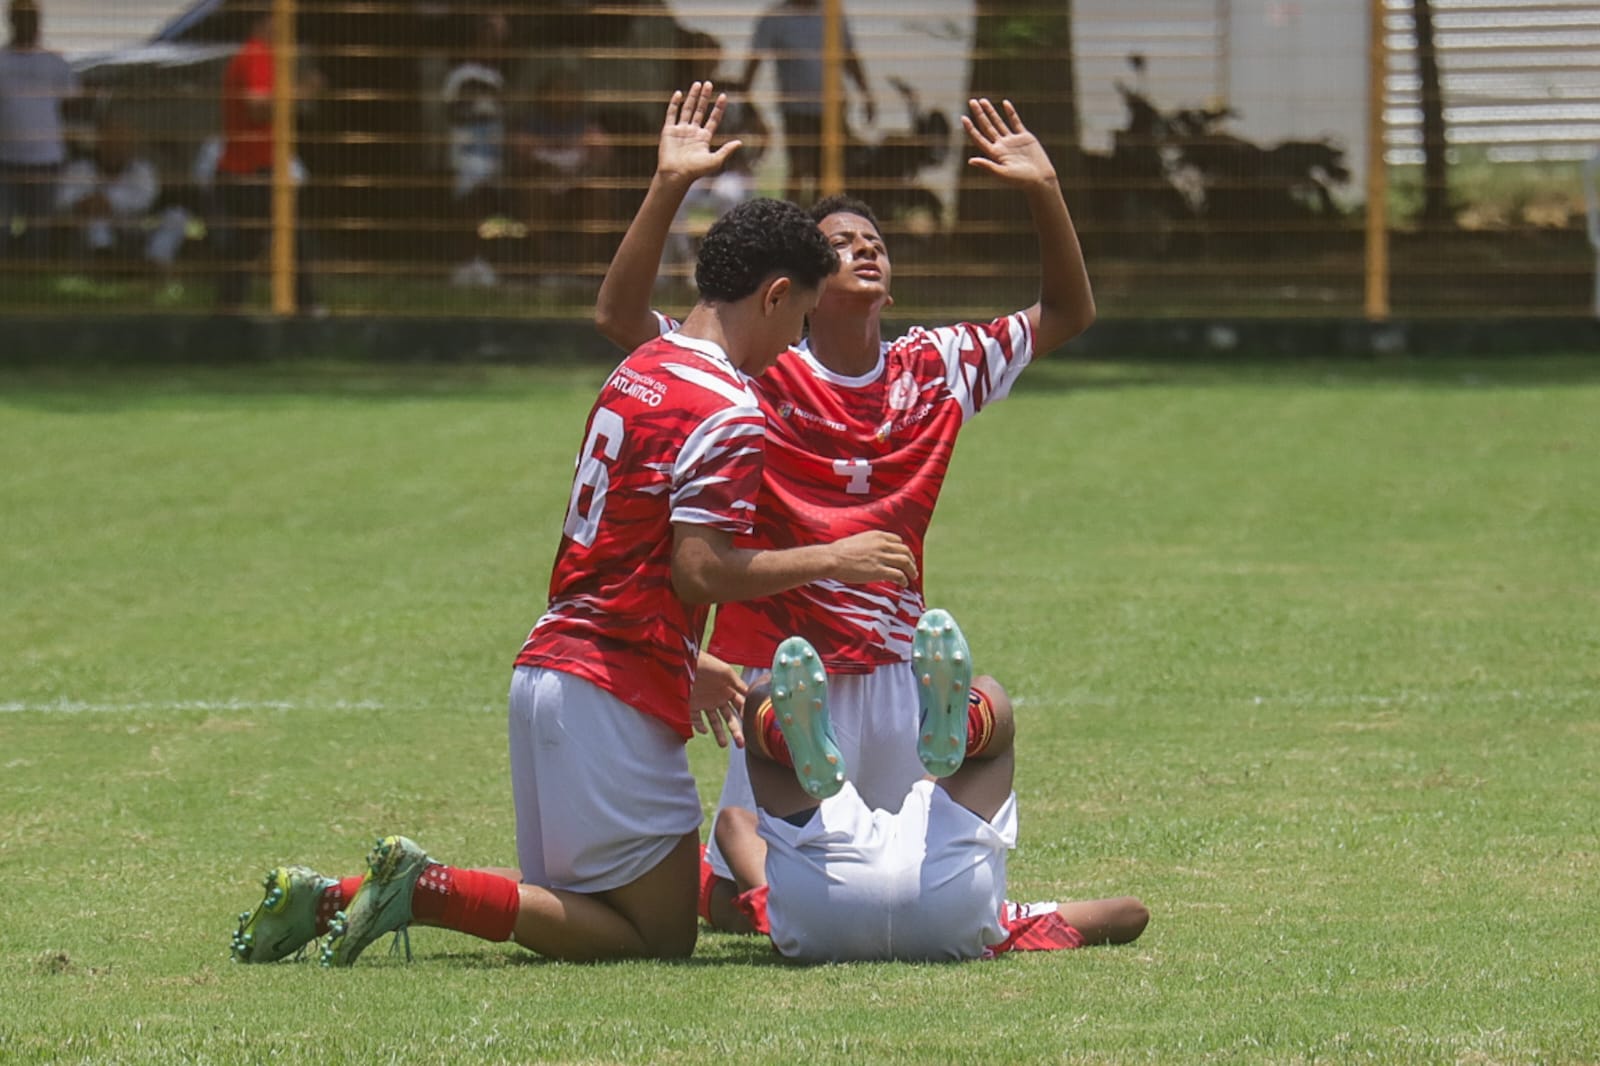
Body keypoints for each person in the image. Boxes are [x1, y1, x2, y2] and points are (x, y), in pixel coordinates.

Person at [229, 195, 920, 966]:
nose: (795, 344)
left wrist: (683, 657)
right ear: (776, 295)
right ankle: (422, 890)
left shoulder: (642, 369)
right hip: (610, 694)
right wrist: (834, 558)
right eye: (800, 321)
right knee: (658, 936)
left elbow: (622, 549)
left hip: (551, 672)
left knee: (582, 906)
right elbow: (698, 571)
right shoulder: (732, 408)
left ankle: (335, 896)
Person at [593, 84, 1099, 940]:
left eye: (876, 243)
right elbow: (618, 317)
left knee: (895, 891)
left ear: (889, 286)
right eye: (840, 243)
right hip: (794, 679)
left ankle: (973, 851)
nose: (865, 249)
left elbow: (1068, 314)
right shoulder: (755, 369)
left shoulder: (938, 364)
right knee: (725, 904)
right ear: (795, 286)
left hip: (905, 673)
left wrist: (1045, 191)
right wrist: (669, 184)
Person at [742, 609, 1146, 961]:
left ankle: (795, 742)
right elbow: (1135, 914)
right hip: (895, 910)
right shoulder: (997, 922)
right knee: (762, 705)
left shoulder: (1002, 921)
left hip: (831, 909)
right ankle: (960, 729)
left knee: (988, 698)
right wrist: (765, 885)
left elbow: (729, 823)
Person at [214, 4, 320, 314]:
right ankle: (306, 308)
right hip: (249, 171)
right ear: (265, 21)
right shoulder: (256, 54)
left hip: (253, 169)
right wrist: (300, 92)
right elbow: (258, 106)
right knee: (284, 238)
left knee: (252, 243)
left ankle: (230, 310)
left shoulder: (261, 55)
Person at [734, 0, 875, 203]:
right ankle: (790, 218)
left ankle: (822, 217)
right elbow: (755, 61)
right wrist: (744, 102)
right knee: (799, 168)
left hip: (832, 109)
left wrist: (866, 94)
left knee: (828, 170)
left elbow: (848, 56)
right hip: (796, 110)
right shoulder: (776, 17)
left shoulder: (831, 13)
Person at [54, 119, 190, 275]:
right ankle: (104, 263)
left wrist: (108, 201)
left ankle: (155, 263)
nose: (116, 149)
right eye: (110, 144)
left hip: (133, 229)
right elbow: (62, 200)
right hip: (91, 235)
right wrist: (86, 203)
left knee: (178, 216)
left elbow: (145, 200)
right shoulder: (80, 169)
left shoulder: (142, 170)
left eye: (122, 144)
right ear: (99, 144)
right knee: (96, 217)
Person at [0, 0, 77, 261]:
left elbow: (71, 105)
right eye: (21, 18)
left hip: (46, 159)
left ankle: (33, 268)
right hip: (6, 160)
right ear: (11, 21)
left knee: (39, 232)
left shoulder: (54, 63)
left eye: (32, 19)